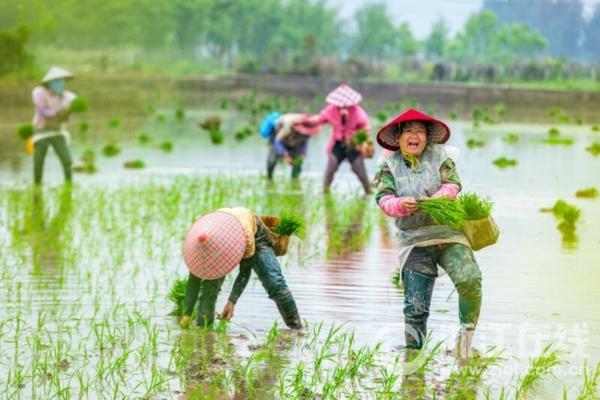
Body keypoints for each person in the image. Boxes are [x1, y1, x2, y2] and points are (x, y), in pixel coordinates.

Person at [373, 108, 482, 360]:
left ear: (427, 137)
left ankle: (465, 342)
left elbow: (453, 185)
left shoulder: (442, 157)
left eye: (419, 131)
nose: (414, 135)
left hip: (449, 235)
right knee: (415, 308)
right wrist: (401, 204)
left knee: (470, 280)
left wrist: (434, 200)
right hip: (414, 241)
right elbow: (383, 198)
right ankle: (413, 359)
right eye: (408, 131)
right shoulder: (388, 164)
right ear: (399, 138)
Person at [180, 207, 302, 330]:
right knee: (209, 287)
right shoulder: (200, 243)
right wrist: (186, 314)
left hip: (255, 236)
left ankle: (296, 328)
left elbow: (245, 271)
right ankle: (204, 330)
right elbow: (194, 280)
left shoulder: (246, 236)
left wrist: (231, 302)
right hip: (223, 231)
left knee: (275, 283)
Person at [313, 84, 372, 195]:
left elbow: (366, 127)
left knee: (359, 170)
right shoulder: (331, 109)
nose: (343, 107)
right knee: (331, 168)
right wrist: (306, 121)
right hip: (337, 144)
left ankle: (368, 192)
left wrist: (359, 138)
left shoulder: (357, 111)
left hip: (353, 145)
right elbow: (319, 119)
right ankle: (325, 192)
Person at [31, 66, 78, 184]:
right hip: (41, 131)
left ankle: (69, 185)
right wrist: (57, 113)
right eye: (56, 81)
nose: (60, 84)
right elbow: (42, 111)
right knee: (38, 161)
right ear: (49, 83)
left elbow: (68, 117)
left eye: (62, 81)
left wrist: (68, 113)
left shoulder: (68, 97)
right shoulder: (39, 93)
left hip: (57, 131)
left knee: (67, 160)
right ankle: (37, 186)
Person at [266, 113, 320, 181]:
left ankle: (294, 180)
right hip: (280, 141)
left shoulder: (307, 134)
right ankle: (269, 178)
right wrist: (285, 156)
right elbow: (277, 142)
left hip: (294, 144)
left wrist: (302, 154)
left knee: (298, 162)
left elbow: (304, 143)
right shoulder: (287, 128)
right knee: (271, 160)